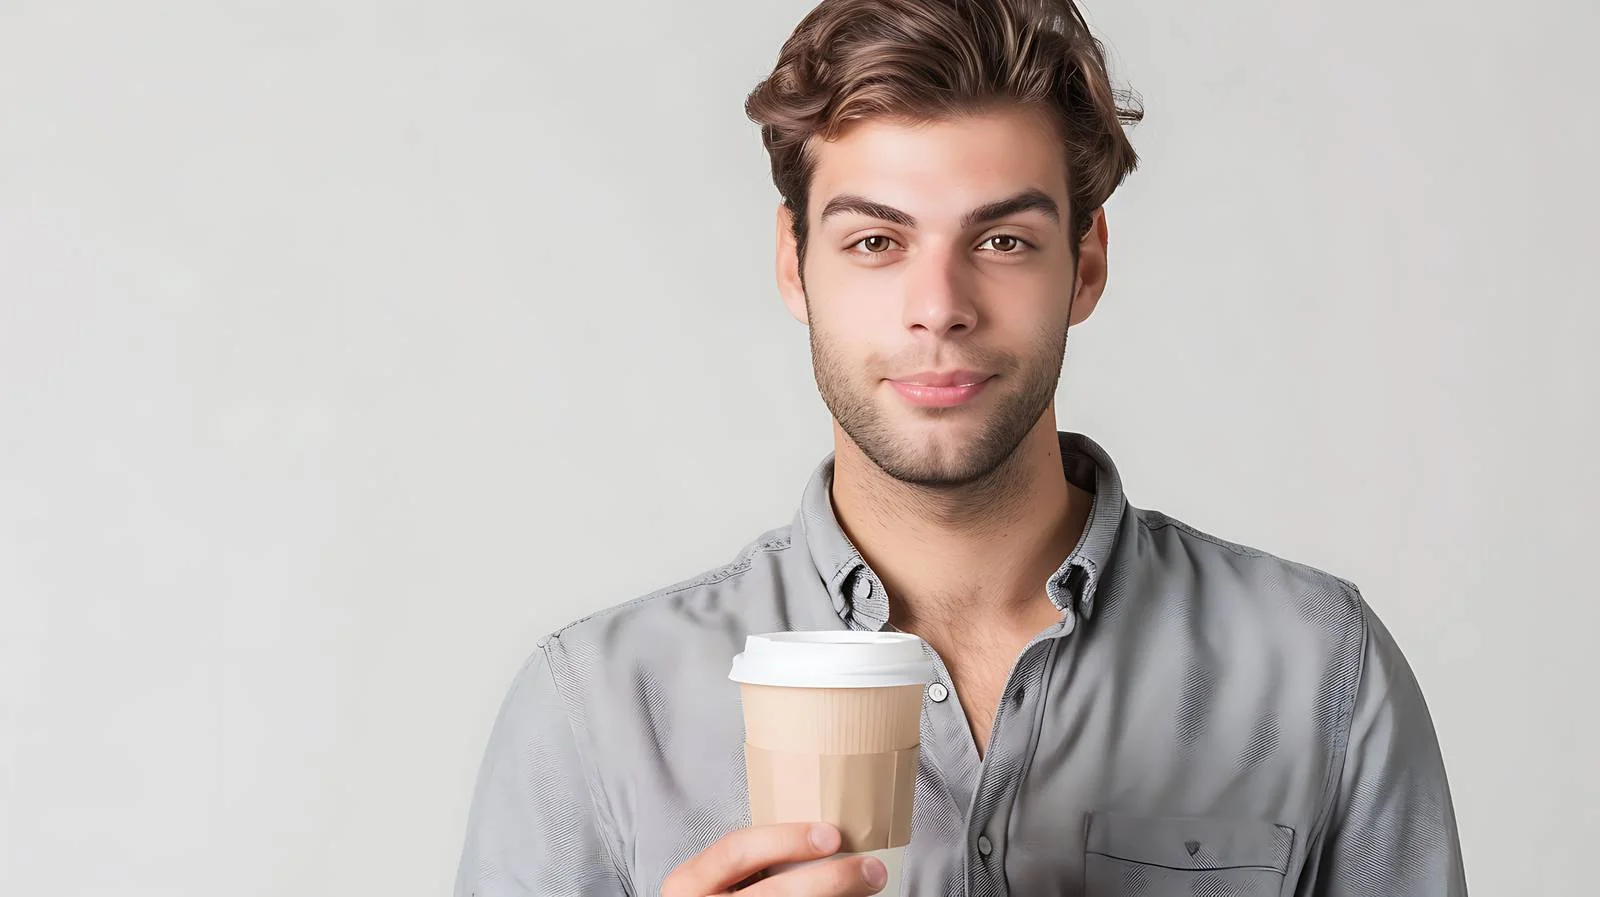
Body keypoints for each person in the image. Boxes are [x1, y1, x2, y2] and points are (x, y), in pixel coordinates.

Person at [454, 0, 1467, 894]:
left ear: (1085, 265)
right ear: (794, 265)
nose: (938, 307)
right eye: (875, 242)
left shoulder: (1319, 667)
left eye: (1001, 241)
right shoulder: (595, 709)